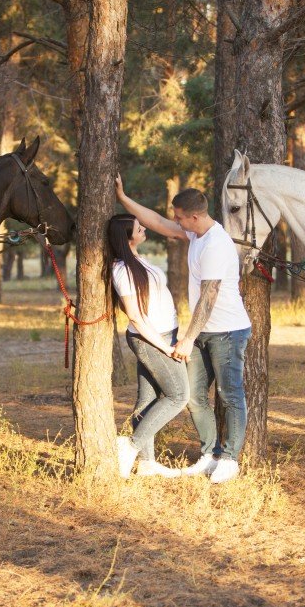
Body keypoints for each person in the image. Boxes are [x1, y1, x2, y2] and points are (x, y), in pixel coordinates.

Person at [116, 176, 251, 484]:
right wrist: (124, 199)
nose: (175, 222)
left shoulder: (216, 243)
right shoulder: (196, 235)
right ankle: (210, 455)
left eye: (179, 217)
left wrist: (187, 339)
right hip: (203, 332)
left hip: (228, 333)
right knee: (194, 397)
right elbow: (159, 221)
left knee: (229, 395)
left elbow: (210, 295)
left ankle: (229, 459)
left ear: (194, 216)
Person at [107, 212, 189, 479]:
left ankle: (146, 463)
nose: (144, 229)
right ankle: (129, 446)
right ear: (126, 237)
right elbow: (135, 317)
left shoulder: (138, 260)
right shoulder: (122, 269)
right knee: (178, 396)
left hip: (166, 333)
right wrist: (165, 348)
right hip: (150, 339)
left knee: (147, 400)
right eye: (138, 227)